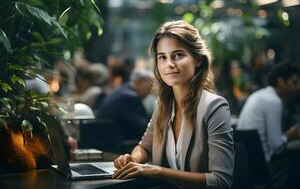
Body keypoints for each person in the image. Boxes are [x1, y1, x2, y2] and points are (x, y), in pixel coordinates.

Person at [113, 20, 234, 189]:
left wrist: (158, 171)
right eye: (162, 57)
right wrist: (133, 159)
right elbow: (144, 147)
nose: (169, 64)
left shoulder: (214, 106)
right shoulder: (163, 105)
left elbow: (221, 181)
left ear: (197, 59)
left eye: (178, 55)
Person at [236, 61, 300, 188]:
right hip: (262, 166)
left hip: (244, 164)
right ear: (281, 81)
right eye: (294, 82)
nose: (298, 87)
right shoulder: (274, 101)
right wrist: (292, 134)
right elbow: (276, 145)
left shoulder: (260, 95)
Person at [98, 68, 154, 140]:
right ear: (138, 82)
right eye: (150, 83)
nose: (152, 89)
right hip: (118, 143)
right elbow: (143, 127)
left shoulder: (123, 90)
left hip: (108, 138)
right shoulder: (130, 97)